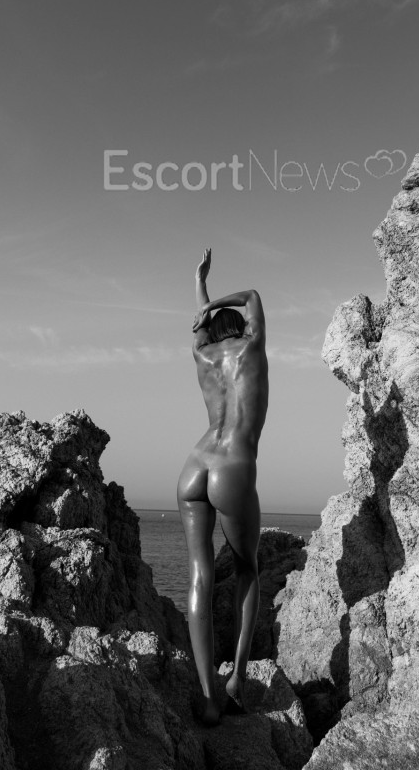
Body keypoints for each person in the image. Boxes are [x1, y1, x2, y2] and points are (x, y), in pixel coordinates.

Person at [177, 247, 269, 725]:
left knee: (200, 575)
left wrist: (200, 284)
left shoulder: (202, 354)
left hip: (195, 464)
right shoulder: (252, 349)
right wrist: (215, 299)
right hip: (234, 465)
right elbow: (252, 295)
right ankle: (236, 680)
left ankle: (207, 697)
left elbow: (199, 324)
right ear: (242, 327)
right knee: (248, 569)